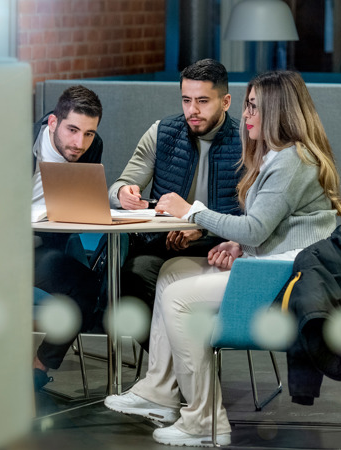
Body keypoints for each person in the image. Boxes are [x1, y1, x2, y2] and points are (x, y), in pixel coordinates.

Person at [104, 70, 341, 447]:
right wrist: (239, 245)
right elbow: (274, 225)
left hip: (286, 276)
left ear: (278, 111)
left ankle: (204, 419)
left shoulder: (291, 162)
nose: (248, 113)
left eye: (255, 106)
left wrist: (193, 213)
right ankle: (158, 391)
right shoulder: (281, 155)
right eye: (248, 104)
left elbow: (256, 228)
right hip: (271, 263)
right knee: (172, 271)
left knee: (178, 299)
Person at [107, 58, 242, 349]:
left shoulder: (247, 141)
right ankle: (177, 367)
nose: (192, 111)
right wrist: (123, 194)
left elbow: (250, 216)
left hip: (222, 245)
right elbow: (119, 185)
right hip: (166, 242)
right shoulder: (162, 133)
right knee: (131, 277)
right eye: (186, 100)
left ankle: (175, 374)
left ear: (226, 101)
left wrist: (201, 229)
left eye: (203, 101)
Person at [32, 85, 104, 392]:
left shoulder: (92, 146)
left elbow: (79, 199)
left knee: (87, 286)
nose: (80, 143)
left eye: (88, 133)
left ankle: (37, 368)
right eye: (73, 130)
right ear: (52, 122)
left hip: (42, 247)